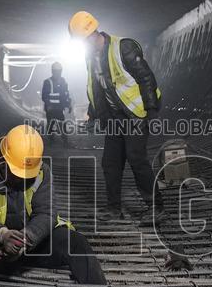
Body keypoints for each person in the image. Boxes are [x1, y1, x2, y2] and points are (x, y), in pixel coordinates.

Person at [0, 125, 106, 287]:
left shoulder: (41, 171)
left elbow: (46, 213)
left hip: (31, 242)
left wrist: (25, 239)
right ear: (2, 160)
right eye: (17, 174)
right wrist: (3, 236)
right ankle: (2, 279)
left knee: (76, 242)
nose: (22, 179)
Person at [68, 11, 162, 221]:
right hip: (114, 119)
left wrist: (152, 111)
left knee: (136, 159)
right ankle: (114, 209)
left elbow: (146, 79)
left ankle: (156, 208)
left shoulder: (123, 47)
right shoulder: (91, 57)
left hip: (136, 115)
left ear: (93, 34)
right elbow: (97, 87)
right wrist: (93, 114)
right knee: (110, 163)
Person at [41, 61, 71, 146]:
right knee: (51, 124)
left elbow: (65, 94)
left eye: (59, 71)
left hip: (59, 108)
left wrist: (68, 104)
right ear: (53, 71)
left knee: (62, 124)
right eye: (56, 71)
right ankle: (51, 140)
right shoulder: (47, 82)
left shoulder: (63, 81)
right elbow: (44, 95)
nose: (58, 73)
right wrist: (49, 105)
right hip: (50, 108)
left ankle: (65, 140)